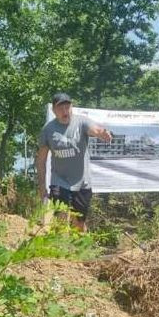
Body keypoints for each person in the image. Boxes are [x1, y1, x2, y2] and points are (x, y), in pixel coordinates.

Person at [36, 93, 112, 231]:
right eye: (61, 108)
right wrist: (42, 187)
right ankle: (60, 249)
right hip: (59, 180)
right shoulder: (48, 130)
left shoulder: (81, 122)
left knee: (79, 223)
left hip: (82, 182)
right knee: (61, 217)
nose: (65, 111)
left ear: (72, 107)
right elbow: (41, 160)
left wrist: (102, 133)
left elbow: (94, 129)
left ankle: (80, 249)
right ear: (54, 110)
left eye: (67, 107)